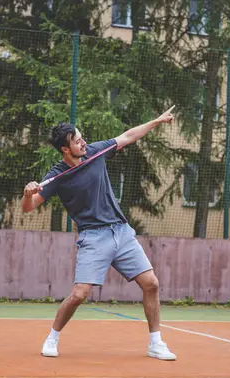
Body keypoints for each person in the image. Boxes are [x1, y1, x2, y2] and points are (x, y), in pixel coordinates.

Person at [21, 109, 176, 361]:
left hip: (121, 231)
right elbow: (29, 207)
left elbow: (128, 136)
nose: (83, 142)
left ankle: (156, 343)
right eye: (77, 141)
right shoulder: (56, 176)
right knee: (79, 294)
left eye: (82, 138)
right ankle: (52, 338)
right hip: (93, 237)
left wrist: (157, 121)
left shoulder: (96, 151)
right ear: (65, 149)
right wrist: (28, 193)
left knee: (151, 284)